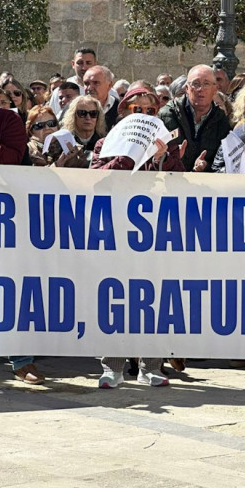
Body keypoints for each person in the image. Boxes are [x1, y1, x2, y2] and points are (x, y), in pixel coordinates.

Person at [91, 84, 185, 388]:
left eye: (150, 110)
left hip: (154, 231)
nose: (144, 114)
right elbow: (96, 179)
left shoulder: (166, 145)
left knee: (153, 296)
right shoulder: (105, 143)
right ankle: (112, 367)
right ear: (123, 112)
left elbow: (179, 180)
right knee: (116, 296)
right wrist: (130, 156)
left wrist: (162, 158)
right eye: (137, 109)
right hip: (117, 230)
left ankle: (151, 367)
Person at [0, 67, 34, 382]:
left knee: (8, 287)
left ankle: (21, 360)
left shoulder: (8, 121)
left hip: (3, 219)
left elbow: (16, 160)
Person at [158, 64, 231, 172]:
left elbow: (224, 164)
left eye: (206, 84)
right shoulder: (167, 115)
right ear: (187, 88)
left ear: (215, 89)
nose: (200, 89)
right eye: (196, 84)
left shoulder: (222, 121)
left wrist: (205, 166)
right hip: (172, 179)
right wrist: (171, 158)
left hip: (205, 181)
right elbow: (154, 158)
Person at [82, 65, 120, 131]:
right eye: (86, 83)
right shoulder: (75, 108)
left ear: (109, 85)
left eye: (96, 83)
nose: (90, 88)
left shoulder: (120, 109)